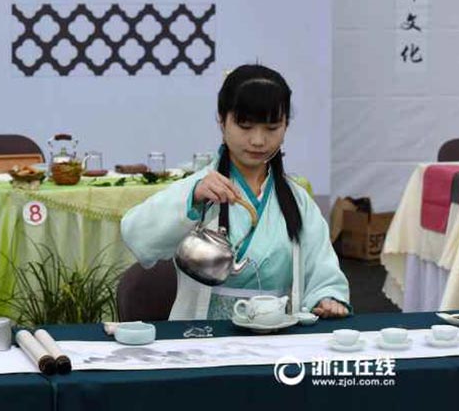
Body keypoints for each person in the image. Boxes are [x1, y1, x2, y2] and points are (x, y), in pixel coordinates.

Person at [121, 64, 350, 321]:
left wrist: (327, 297)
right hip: (203, 336)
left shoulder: (297, 200)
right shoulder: (201, 188)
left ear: (286, 126)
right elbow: (135, 235)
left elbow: (321, 267)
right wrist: (192, 198)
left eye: (272, 128)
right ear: (222, 120)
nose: (258, 141)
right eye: (245, 126)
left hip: (274, 333)